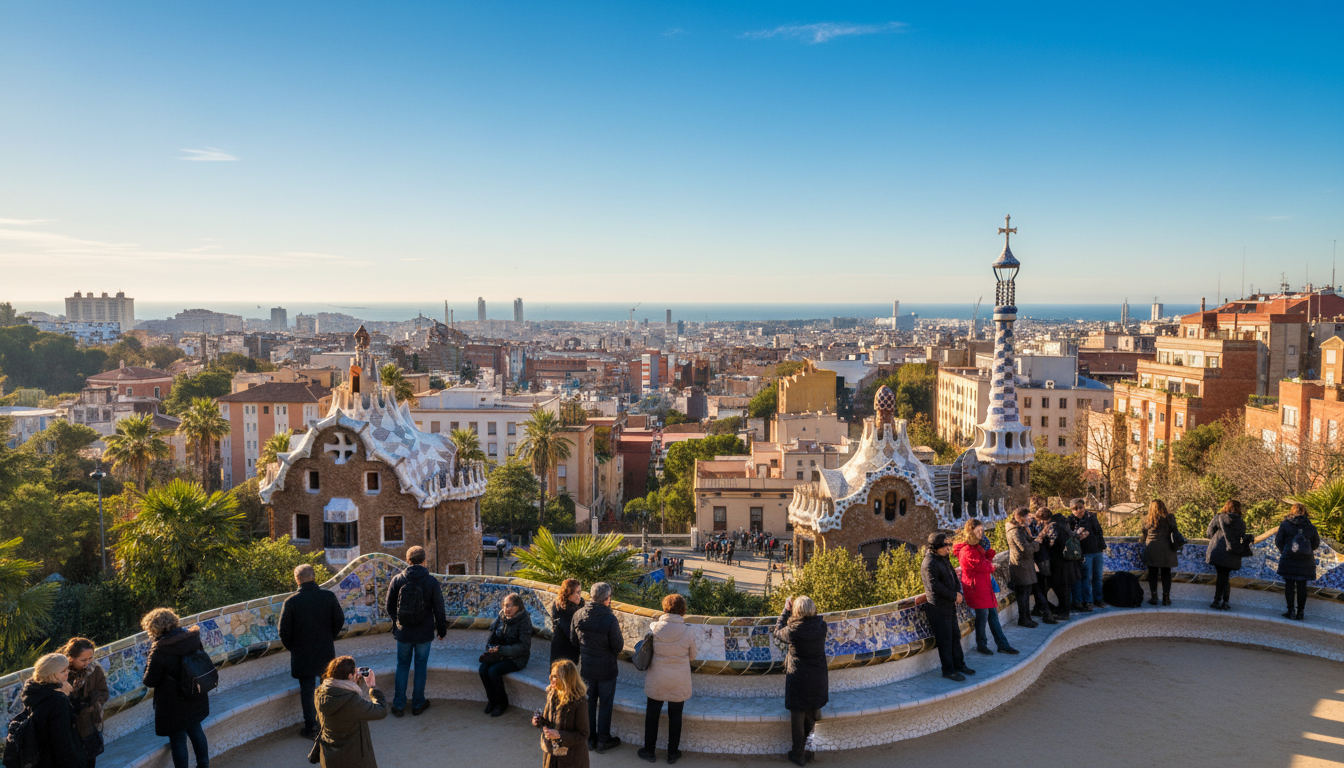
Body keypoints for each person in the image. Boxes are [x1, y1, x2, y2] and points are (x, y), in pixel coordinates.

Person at [280, 563, 346, 738]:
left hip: (302, 654)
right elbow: (339, 619)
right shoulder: (328, 597)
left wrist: (294, 647)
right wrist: (329, 637)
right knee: (328, 687)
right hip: (325, 650)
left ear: (297, 580)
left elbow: (283, 631)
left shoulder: (291, 602)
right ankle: (331, 723)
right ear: (314, 577)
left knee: (307, 691)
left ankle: (311, 728)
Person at [141, 608, 209, 768]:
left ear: (154, 628)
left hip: (173, 702)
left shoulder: (159, 650)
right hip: (194, 694)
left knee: (178, 739)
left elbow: (149, 681)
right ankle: (204, 764)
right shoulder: (191, 638)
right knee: (196, 730)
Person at [384, 545, 447, 717]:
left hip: (403, 633)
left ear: (407, 560)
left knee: (402, 666)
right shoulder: (432, 581)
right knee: (420, 667)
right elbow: (439, 609)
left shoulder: (397, 579)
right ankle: (418, 704)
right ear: (424, 561)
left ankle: (398, 705)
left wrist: (398, 623)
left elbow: (389, 606)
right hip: (424, 633)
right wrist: (441, 630)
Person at [639, 594, 697, 764]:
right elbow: (693, 656)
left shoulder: (654, 628)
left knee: (652, 714)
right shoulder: (688, 631)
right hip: (679, 679)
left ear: (665, 608)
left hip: (657, 677)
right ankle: (672, 753)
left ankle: (649, 750)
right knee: (676, 715)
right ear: (683, 610)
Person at [774, 596, 828, 767]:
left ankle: (798, 755)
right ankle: (809, 752)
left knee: (798, 717)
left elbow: (777, 632)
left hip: (798, 679)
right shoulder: (822, 626)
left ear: (796, 610)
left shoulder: (792, 630)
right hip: (817, 678)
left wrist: (785, 611)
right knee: (811, 715)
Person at [570, 581, 623, 753]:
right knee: (605, 705)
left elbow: (573, 640)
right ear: (607, 599)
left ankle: (590, 739)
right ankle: (603, 740)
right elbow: (618, 646)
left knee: (589, 704)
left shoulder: (578, 614)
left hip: (586, 668)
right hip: (606, 670)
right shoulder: (610, 619)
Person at [953, 520, 1018, 655]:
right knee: (982, 618)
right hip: (977, 589)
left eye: (982, 531)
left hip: (984, 587)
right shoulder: (967, 550)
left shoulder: (976, 547)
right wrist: (991, 564)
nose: (981, 534)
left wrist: (987, 552)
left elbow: (985, 560)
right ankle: (982, 645)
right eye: (978, 532)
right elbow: (983, 566)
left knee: (993, 615)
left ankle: (1002, 644)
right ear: (970, 532)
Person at [314, 656, 388, 768]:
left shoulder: (320, 692)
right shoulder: (352, 702)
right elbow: (380, 711)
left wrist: (353, 681)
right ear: (349, 676)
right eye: (354, 671)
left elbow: (341, 693)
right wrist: (372, 686)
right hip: (353, 759)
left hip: (330, 757)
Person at [921, 532, 974, 682]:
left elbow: (952, 574)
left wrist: (957, 591)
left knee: (955, 636)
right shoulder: (929, 563)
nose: (948, 549)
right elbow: (935, 586)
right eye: (945, 546)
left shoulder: (943, 558)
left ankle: (959, 664)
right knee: (945, 640)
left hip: (949, 605)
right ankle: (948, 670)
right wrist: (953, 595)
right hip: (938, 607)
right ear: (936, 547)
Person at [23, 653, 85, 768]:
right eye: (62, 671)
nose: (67, 673)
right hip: (58, 760)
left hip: (42, 758)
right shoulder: (58, 700)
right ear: (51, 675)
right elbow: (62, 739)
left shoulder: (33, 693)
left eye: (67, 669)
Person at [481, 593, 534, 716]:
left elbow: (523, 647)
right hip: (500, 654)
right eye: (505, 606)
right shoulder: (502, 615)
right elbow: (493, 633)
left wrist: (501, 650)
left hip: (517, 658)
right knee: (483, 669)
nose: (506, 609)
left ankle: (502, 703)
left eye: (509, 606)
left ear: (517, 607)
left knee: (494, 671)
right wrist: (490, 647)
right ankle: (492, 701)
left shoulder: (524, 620)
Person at [534, 659, 591, 768]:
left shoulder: (579, 701)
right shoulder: (552, 693)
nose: (552, 679)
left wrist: (560, 735)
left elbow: (583, 734)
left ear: (566, 679)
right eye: (551, 676)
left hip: (572, 760)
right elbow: (549, 722)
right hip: (551, 757)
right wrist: (539, 721)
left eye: (555, 676)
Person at [62, 638, 108, 768]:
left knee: (90, 761)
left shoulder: (95, 670)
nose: (87, 663)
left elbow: (104, 692)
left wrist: (92, 699)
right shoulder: (61, 674)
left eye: (90, 658)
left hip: (89, 725)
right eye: (83, 660)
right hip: (68, 728)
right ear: (71, 658)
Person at [1275, 502, 1321, 620]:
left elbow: (1278, 540)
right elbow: (1316, 544)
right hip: (1306, 561)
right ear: (1305, 512)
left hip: (1289, 559)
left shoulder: (1286, 524)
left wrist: (1285, 550)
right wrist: (1306, 550)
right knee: (1302, 586)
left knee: (1289, 585)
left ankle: (1290, 610)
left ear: (1292, 511)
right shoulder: (1310, 526)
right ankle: (1300, 612)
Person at [1005, 508, 1045, 628]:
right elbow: (1025, 549)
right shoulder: (1015, 531)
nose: (1030, 519)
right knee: (1022, 594)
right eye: (1028, 517)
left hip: (1025, 565)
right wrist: (1037, 542)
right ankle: (1023, 618)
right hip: (1020, 566)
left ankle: (1027, 617)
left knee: (1026, 593)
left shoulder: (1021, 529)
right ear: (1020, 517)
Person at [1205, 499, 1247, 611]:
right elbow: (1242, 535)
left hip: (1218, 550)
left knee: (1221, 575)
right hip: (1232, 552)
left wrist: (1216, 539)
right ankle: (1225, 601)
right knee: (1225, 576)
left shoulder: (1219, 517)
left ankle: (1217, 600)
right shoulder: (1241, 522)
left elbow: (1209, 532)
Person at [1035, 508, 1076, 619]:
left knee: (1061, 587)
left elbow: (1053, 542)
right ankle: (1063, 609)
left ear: (1043, 519)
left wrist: (1044, 544)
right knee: (1064, 587)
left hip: (1059, 561)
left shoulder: (1052, 525)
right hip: (1067, 561)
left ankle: (1064, 612)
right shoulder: (1062, 522)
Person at [1068, 498, 1107, 609]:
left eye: (1080, 507)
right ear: (1072, 510)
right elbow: (1069, 537)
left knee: (1098, 577)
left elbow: (1098, 531)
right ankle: (1088, 601)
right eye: (1075, 508)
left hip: (1097, 551)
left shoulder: (1091, 517)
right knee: (1087, 578)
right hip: (1084, 553)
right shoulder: (1070, 520)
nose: (1078, 511)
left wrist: (1101, 546)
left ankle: (1098, 599)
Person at [1139, 500, 1179, 606]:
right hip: (1167, 550)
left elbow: (1143, 535)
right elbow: (1175, 531)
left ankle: (1154, 597)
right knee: (1166, 574)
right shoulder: (1170, 518)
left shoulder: (1148, 519)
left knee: (1153, 574)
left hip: (1152, 549)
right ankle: (1166, 598)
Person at [550, 579, 585, 665]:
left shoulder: (579, 605)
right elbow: (573, 634)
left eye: (580, 592)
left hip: (572, 651)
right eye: (577, 592)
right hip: (562, 650)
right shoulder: (562, 609)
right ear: (569, 594)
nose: (579, 595)